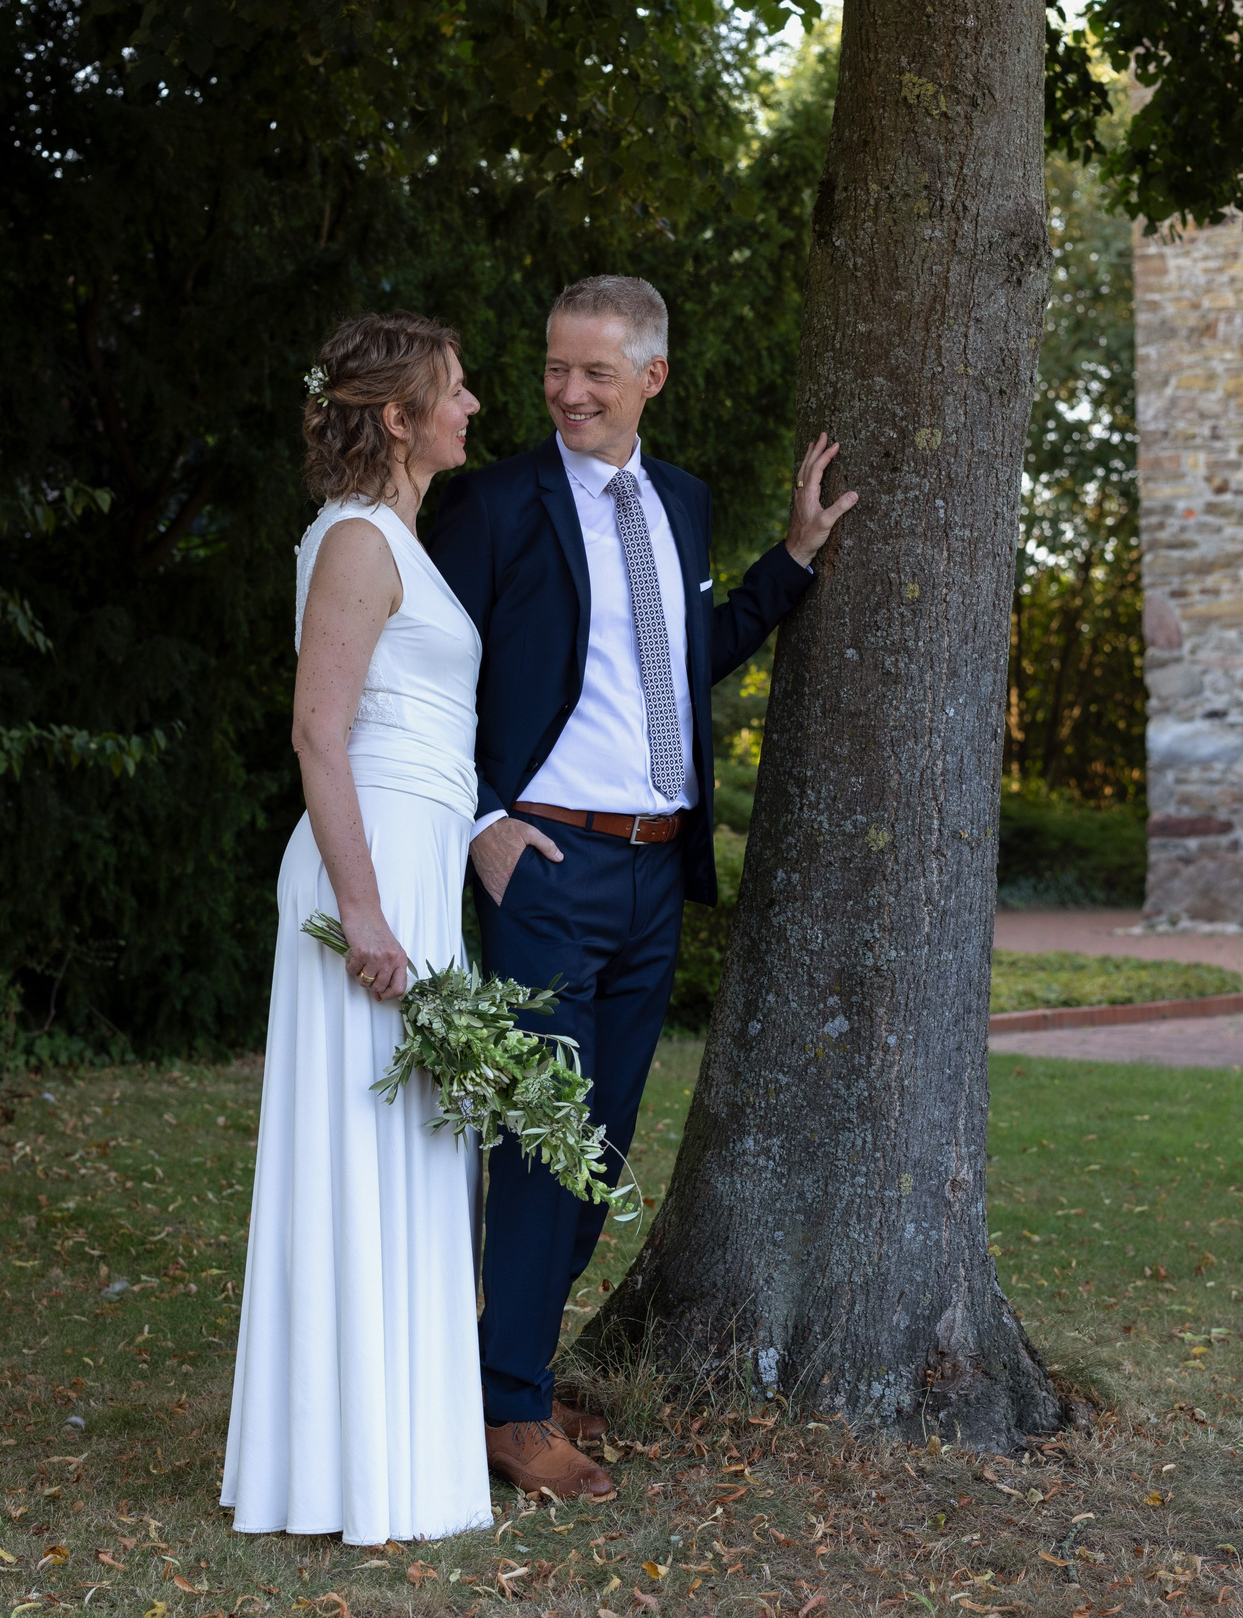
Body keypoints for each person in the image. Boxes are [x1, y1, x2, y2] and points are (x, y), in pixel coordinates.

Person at [427, 275, 859, 1498]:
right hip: (545, 868)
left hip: (655, 869)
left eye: (595, 373)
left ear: (650, 378)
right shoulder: (490, 504)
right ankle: (512, 1413)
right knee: (541, 1142)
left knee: (599, 1149)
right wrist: (480, 822)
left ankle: (503, 1368)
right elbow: (422, 671)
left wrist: (792, 560)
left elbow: (682, 657)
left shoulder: (680, 500)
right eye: (554, 368)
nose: (567, 392)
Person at [221, 313, 491, 1545]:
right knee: (357, 1153)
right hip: (364, 876)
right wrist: (365, 908)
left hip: (414, 868)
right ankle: (338, 1469)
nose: (471, 405)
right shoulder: (355, 540)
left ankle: (398, 1457)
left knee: (414, 1151)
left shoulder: (398, 537)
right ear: (395, 416)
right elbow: (317, 732)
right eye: (454, 388)